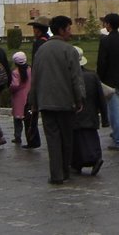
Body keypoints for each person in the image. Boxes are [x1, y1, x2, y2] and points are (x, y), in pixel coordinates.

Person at [32, 15, 86, 185]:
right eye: (69, 29)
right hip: (65, 101)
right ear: (62, 30)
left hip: (46, 102)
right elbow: (76, 79)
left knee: (53, 140)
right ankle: (65, 171)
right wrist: (79, 99)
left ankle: (56, 174)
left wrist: (33, 101)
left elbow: (35, 77)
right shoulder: (69, 50)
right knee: (66, 139)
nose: (70, 32)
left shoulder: (41, 49)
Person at [97, 12, 119, 151]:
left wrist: (99, 77)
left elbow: (102, 62)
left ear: (108, 25)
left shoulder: (105, 41)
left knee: (115, 111)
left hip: (111, 80)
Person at [72, 46, 108, 176]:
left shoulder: (70, 77)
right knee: (91, 138)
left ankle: (78, 164)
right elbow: (101, 98)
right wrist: (105, 118)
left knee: (77, 142)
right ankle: (95, 158)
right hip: (91, 115)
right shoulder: (92, 76)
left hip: (75, 115)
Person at [24, 15, 51, 149]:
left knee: (30, 110)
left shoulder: (38, 43)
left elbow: (36, 64)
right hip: (50, 79)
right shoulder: (49, 41)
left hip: (40, 81)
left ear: (38, 30)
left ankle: (32, 139)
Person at [10, 52, 32, 144]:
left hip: (18, 98)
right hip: (29, 97)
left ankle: (17, 136)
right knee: (28, 121)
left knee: (17, 120)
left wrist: (10, 89)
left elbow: (14, 85)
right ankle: (30, 138)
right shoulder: (30, 70)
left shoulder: (15, 72)